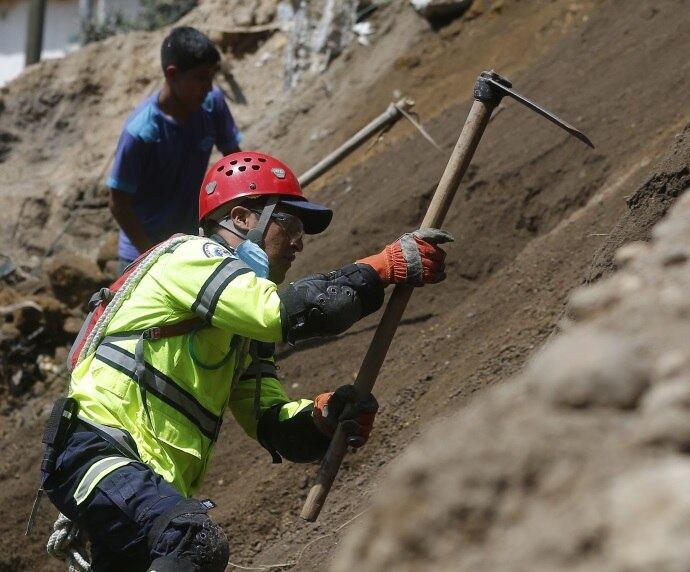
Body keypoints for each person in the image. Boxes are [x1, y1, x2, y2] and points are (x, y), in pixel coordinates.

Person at [40, 151, 452, 571]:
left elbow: (269, 420)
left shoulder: (239, 327)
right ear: (241, 218)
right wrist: (382, 267)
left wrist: (323, 417)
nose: (298, 242)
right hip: (98, 451)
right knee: (192, 541)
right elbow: (283, 312)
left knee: (180, 546)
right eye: (289, 222)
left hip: (143, 478)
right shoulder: (189, 257)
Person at [107, 26, 242, 274]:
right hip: (141, 256)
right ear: (173, 74)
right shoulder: (141, 133)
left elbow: (234, 160)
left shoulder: (212, 105)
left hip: (189, 245)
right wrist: (151, 254)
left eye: (212, 77)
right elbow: (118, 203)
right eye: (201, 78)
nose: (209, 86)